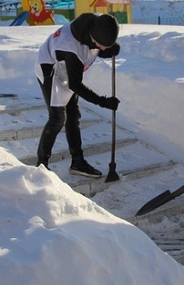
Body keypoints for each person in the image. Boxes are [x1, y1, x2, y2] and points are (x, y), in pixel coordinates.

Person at [34, 13, 121, 178]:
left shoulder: (94, 26)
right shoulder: (71, 46)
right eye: (101, 45)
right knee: (57, 118)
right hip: (50, 69)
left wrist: (107, 49)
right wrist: (103, 102)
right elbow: (75, 84)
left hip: (66, 69)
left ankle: (77, 162)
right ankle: (41, 166)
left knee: (73, 114)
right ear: (92, 37)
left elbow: (92, 46)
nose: (103, 48)